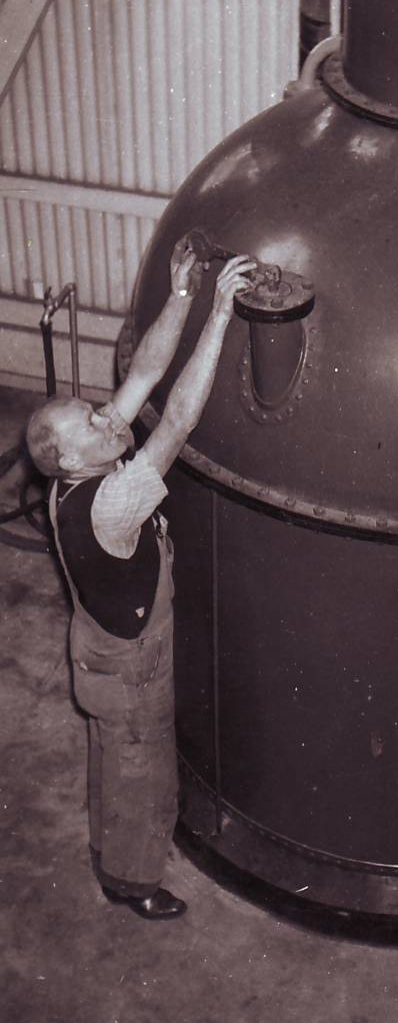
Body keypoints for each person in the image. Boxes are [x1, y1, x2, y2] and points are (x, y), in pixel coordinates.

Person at [26, 240, 255, 920]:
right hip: (130, 667)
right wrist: (220, 314)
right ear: (68, 456)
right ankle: (132, 880)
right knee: (140, 768)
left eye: (96, 412)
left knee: (110, 757)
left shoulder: (78, 469)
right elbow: (178, 419)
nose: (107, 419)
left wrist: (181, 295)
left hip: (97, 648)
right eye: (92, 424)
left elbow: (148, 376)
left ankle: (109, 849)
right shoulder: (112, 502)